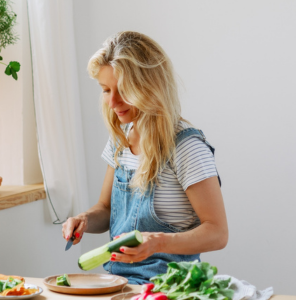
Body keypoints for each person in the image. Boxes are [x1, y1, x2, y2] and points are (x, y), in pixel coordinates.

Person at [61, 31, 229, 284]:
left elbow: (218, 233)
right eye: (106, 90)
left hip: (171, 286)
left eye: (124, 90)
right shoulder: (120, 139)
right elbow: (106, 209)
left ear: (150, 86)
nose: (113, 101)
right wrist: (83, 219)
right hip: (120, 283)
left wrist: (158, 242)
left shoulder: (186, 147)